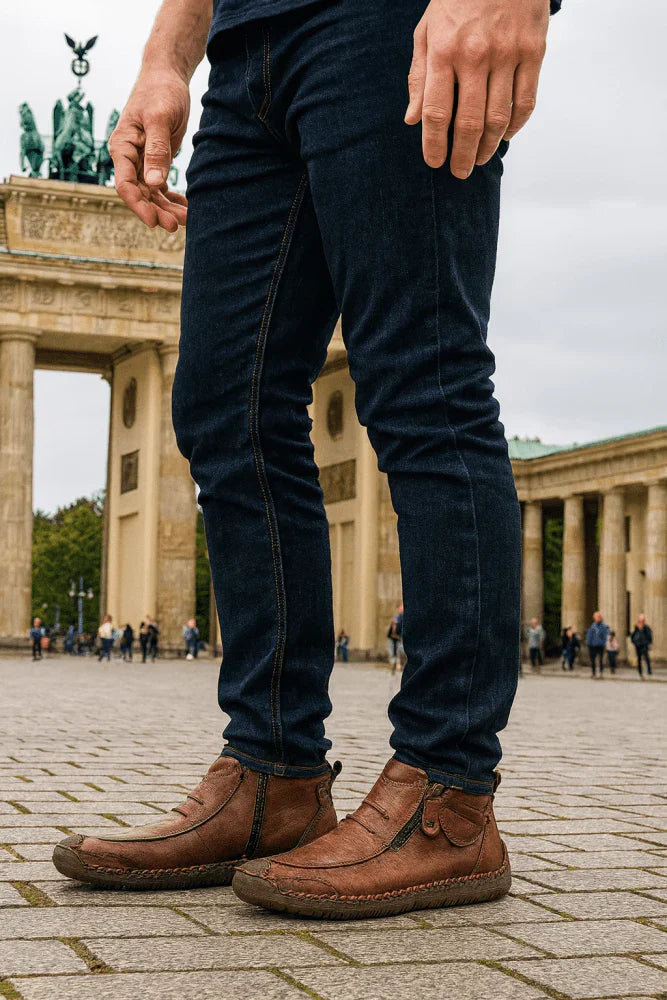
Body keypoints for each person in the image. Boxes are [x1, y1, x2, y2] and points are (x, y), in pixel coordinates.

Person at [52, 0, 559, 919]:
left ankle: (448, 796)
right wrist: (165, 59)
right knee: (224, 406)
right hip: (247, 50)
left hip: (386, 24)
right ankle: (272, 775)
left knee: (421, 382)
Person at [586, 611, 610, 678]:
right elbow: (589, 635)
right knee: (592, 660)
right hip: (592, 645)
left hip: (600, 645)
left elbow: (606, 635)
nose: (598, 618)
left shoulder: (604, 626)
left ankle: (601, 672)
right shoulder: (592, 626)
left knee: (601, 659)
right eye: (596, 617)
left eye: (599, 616)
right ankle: (593, 672)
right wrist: (588, 643)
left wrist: (605, 643)